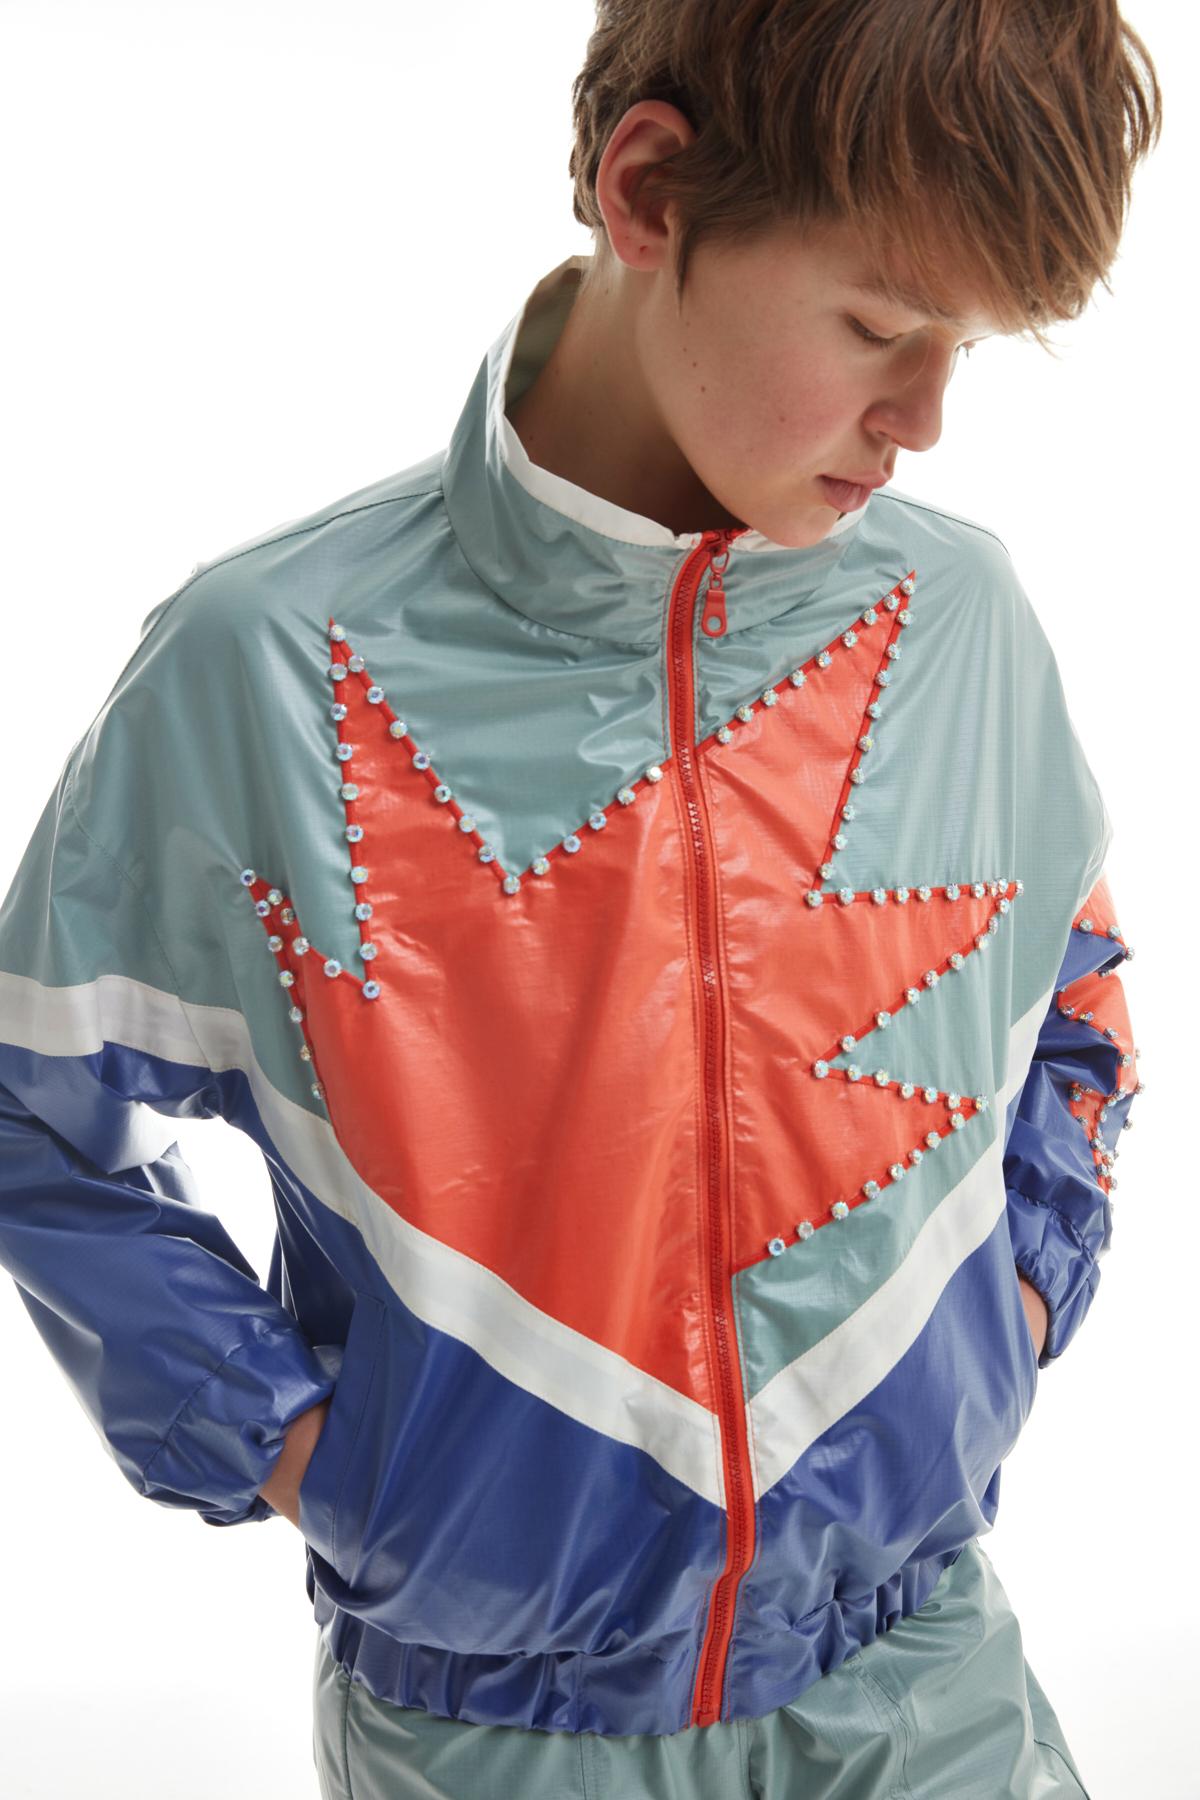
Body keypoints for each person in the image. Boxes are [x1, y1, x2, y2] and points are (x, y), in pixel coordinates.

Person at [0, 2, 1160, 1795]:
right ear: (650, 191)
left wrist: (1015, 1309)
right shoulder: (273, 668)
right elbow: (34, 1110)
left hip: (926, 1680)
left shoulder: (960, 624)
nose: (924, 419)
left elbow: (1072, 993)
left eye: (966, 348)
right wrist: (306, 1452)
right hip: (497, 1731)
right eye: (880, 326)